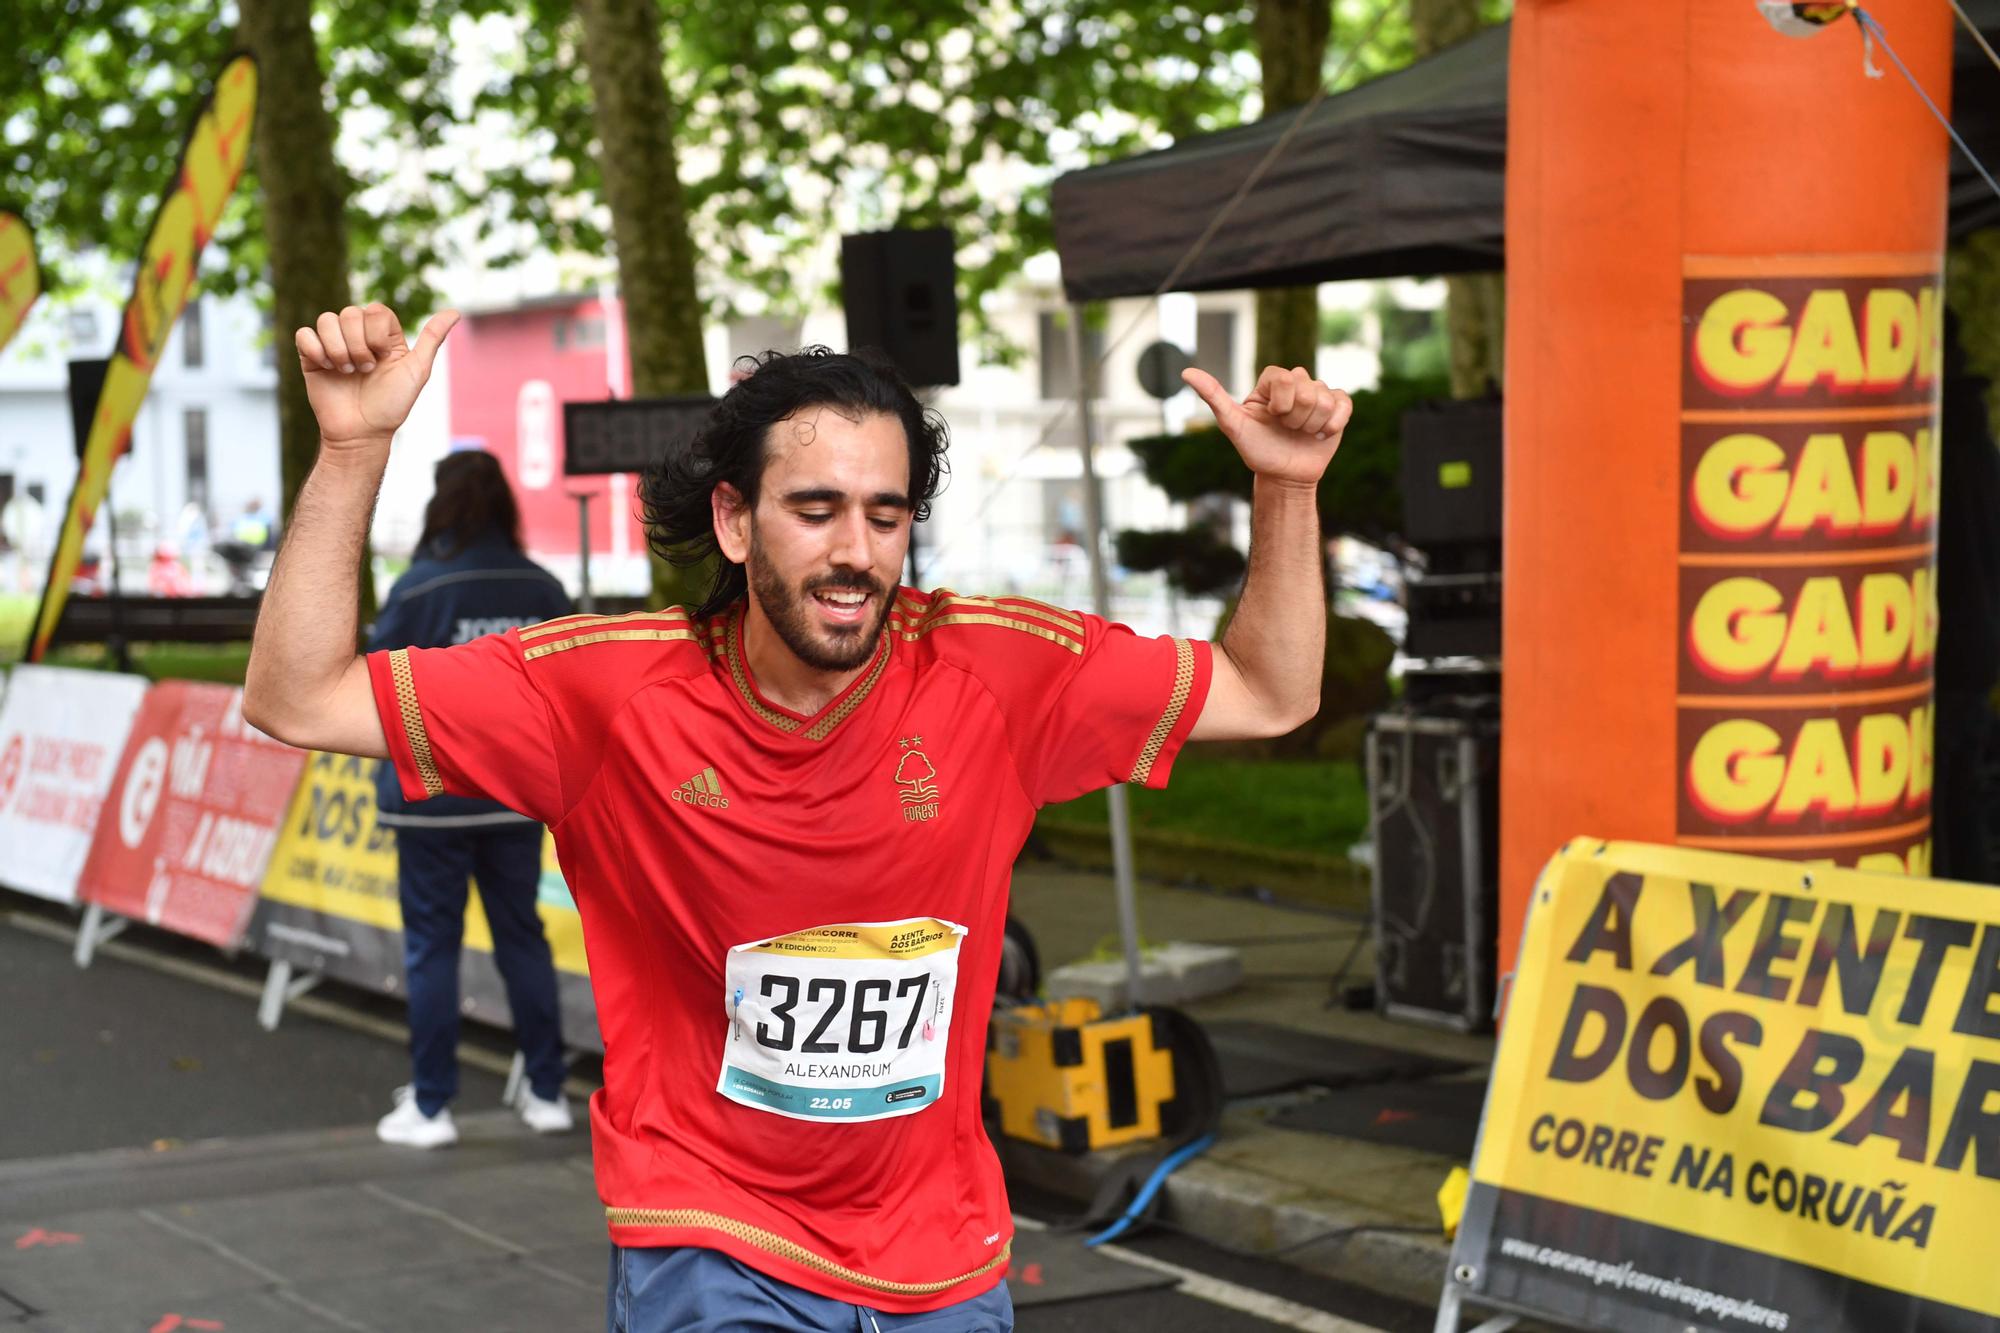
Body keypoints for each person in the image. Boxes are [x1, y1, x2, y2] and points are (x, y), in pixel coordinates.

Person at [245, 302, 1346, 1333]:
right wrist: (351, 451)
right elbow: (296, 696)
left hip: (940, 1253)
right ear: (734, 519)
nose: (853, 553)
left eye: (883, 514)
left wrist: (1288, 490)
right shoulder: (606, 692)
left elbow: (1270, 693)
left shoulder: (995, 670)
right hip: (710, 1231)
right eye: (813, 510)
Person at [366, 448, 579, 1147]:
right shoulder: (542, 587)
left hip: (431, 795)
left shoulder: (420, 588)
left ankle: (431, 1106)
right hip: (514, 796)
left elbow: (373, 682)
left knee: (432, 947)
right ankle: (547, 1091)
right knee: (523, 935)